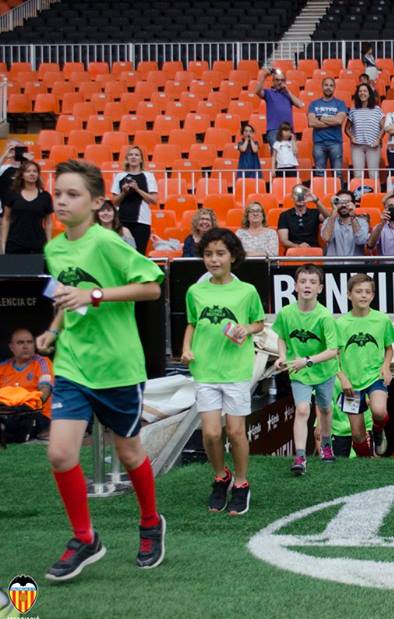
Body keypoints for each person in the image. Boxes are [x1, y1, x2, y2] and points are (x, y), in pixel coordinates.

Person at [38, 159, 165, 580]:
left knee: (129, 453)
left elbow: (151, 287)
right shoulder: (54, 249)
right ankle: (85, 537)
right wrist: (53, 330)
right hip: (73, 364)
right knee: (60, 454)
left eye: (72, 194)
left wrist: (95, 295)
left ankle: (151, 522)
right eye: (58, 193)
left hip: (117, 367)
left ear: (96, 203)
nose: (62, 201)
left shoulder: (108, 243)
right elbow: (66, 296)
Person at [182, 228, 263, 515]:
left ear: (233, 256)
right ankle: (220, 476)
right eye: (208, 254)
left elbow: (259, 323)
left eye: (220, 254)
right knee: (211, 434)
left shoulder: (247, 291)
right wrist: (186, 348)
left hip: (235, 370)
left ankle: (241, 483)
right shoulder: (195, 291)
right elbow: (192, 323)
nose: (214, 260)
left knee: (236, 432)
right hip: (204, 370)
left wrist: (247, 328)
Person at [272, 264, 339, 470]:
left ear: (320, 288)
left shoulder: (325, 316)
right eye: (303, 281)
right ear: (295, 286)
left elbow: (333, 350)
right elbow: (281, 337)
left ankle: (326, 444)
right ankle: (300, 457)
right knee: (302, 410)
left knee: (325, 408)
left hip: (324, 371)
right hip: (299, 372)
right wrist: (282, 356)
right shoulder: (285, 313)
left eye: (312, 282)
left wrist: (307, 360)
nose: (307, 285)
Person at [336, 273, 394, 457]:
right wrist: (343, 378)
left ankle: (378, 431)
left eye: (367, 292)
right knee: (357, 436)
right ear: (349, 295)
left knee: (379, 411)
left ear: (373, 295)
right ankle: (366, 461)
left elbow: (389, 348)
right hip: (351, 384)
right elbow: (333, 356)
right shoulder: (340, 324)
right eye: (358, 291)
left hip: (374, 378)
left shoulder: (382, 320)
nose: (363, 295)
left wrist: (386, 366)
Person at [0, 328, 53, 441]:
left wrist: (25, 406)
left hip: (36, 414)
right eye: (20, 343)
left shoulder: (42, 362)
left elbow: (45, 389)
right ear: (11, 347)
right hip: (6, 414)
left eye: (29, 342)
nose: (25, 346)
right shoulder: (2, 366)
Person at [110, 146, 158, 254]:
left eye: (136, 155)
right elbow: (115, 202)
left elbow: (154, 200)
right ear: (127, 159)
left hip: (142, 221)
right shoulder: (120, 176)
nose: (133, 157)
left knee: (139, 254)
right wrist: (124, 192)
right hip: (122, 221)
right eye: (130, 155)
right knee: (122, 254)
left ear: (141, 159)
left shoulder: (148, 176)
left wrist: (137, 189)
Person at [1, 159, 52, 255]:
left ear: (38, 174)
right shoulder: (12, 194)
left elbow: (48, 222)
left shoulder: (45, 196)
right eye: (28, 171)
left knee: (36, 266)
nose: (32, 174)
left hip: (37, 246)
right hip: (14, 245)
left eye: (35, 171)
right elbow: (6, 219)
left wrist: (49, 244)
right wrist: (3, 244)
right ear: (22, 175)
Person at [307, 78, 348, 184]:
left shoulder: (340, 103)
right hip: (319, 143)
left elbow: (339, 121)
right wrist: (331, 121)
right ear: (322, 87)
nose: (328, 88)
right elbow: (311, 122)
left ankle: (339, 193)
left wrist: (320, 117)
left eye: (331, 85)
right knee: (319, 174)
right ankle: (320, 192)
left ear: (334, 88)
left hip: (335, 143)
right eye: (326, 85)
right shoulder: (314, 104)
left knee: (337, 175)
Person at [255, 67, 305, 149]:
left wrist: (287, 90)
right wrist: (264, 76)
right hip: (274, 129)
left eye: (282, 80)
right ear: (273, 81)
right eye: (277, 80)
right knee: (277, 154)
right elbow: (257, 91)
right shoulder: (269, 92)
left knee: (290, 155)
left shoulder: (288, 94)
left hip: (289, 130)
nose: (280, 82)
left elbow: (300, 105)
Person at [346, 84, 383, 183]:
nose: (362, 93)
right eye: (360, 91)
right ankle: (358, 193)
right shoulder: (353, 110)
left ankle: (375, 193)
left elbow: (384, 127)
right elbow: (347, 129)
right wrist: (352, 137)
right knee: (358, 175)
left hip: (373, 146)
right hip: (357, 146)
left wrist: (378, 139)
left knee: (373, 175)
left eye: (365, 91)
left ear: (369, 94)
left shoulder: (377, 109)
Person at [321, 190, 369, 257]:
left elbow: (360, 240)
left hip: (355, 263)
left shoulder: (362, 222)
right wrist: (334, 211)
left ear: (354, 204)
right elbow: (326, 238)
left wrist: (352, 215)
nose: (343, 205)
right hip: (335, 263)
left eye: (347, 202)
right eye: (340, 202)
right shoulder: (329, 221)